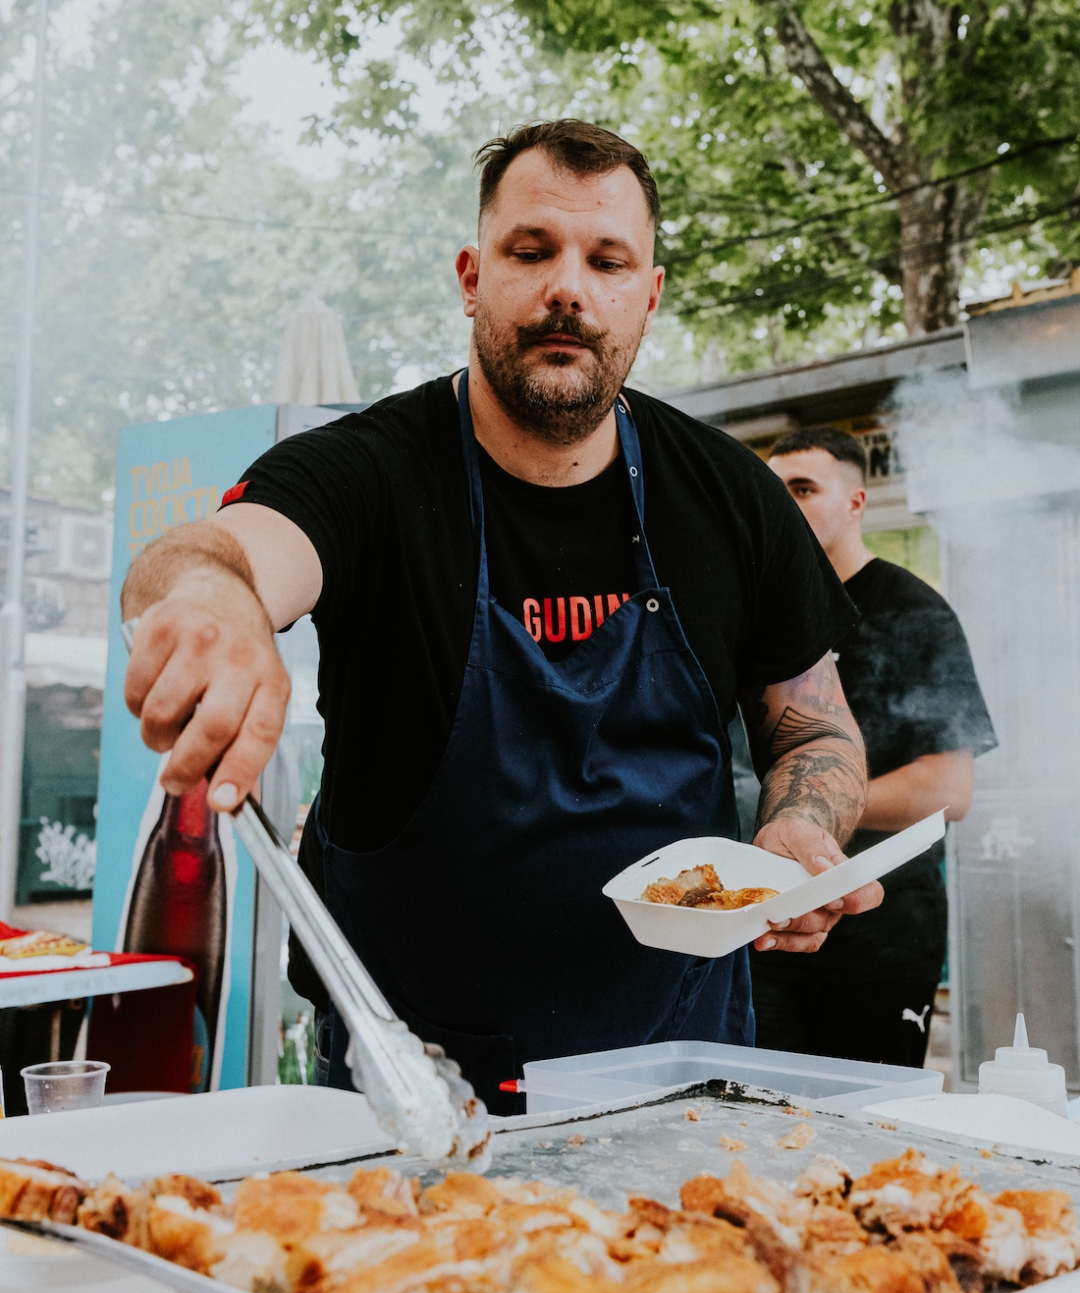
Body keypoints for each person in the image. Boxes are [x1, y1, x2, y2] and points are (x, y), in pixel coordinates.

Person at [119, 120, 882, 1113]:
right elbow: (210, 555)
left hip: (684, 1069)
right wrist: (215, 597)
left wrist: (800, 829)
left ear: (646, 297)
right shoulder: (371, 471)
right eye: (532, 251)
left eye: (606, 260)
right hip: (415, 1079)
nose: (568, 285)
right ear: (473, 275)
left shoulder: (732, 496)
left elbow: (814, 726)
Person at [750, 426, 997, 1068]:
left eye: (804, 489)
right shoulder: (764, 617)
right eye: (774, 492)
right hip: (766, 927)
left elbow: (949, 788)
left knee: (870, 1139)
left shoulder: (915, 613)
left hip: (879, 934)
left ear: (857, 502)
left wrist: (800, 811)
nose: (786, 506)